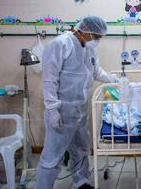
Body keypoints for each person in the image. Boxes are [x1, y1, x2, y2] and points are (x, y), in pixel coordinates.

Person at [35, 16, 118, 189]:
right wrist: (52, 109)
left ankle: (81, 182)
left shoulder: (89, 48)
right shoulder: (60, 44)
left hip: (80, 109)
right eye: (96, 37)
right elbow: (50, 79)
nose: (97, 41)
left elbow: (95, 70)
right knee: (53, 155)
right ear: (84, 30)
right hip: (62, 111)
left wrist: (113, 79)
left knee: (81, 149)